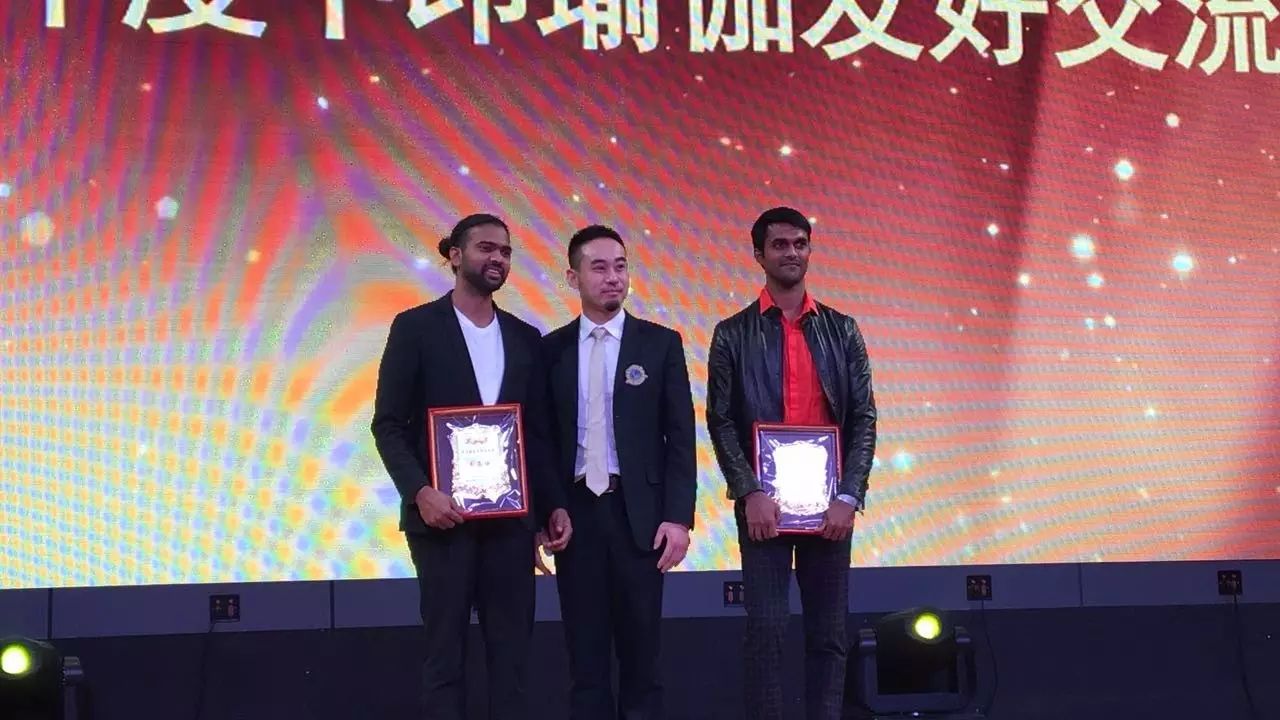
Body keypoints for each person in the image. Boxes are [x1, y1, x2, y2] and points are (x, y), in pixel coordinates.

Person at [370, 213, 572, 720]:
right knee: (445, 659)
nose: (497, 258)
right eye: (486, 248)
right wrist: (420, 492)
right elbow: (388, 424)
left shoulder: (525, 337)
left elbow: (537, 433)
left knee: (512, 662)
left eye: (505, 251)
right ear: (455, 256)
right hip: (442, 521)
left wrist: (552, 506)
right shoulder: (415, 328)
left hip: (511, 525)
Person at [705, 207, 877, 720]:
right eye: (780, 244)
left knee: (829, 635)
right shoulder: (732, 333)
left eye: (800, 243)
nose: (792, 253)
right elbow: (720, 420)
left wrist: (849, 494)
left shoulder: (842, 330)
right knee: (766, 632)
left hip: (831, 508)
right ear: (759, 255)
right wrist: (749, 491)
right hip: (764, 506)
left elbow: (864, 418)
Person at [539, 224, 697, 720]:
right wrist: (545, 513)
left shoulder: (660, 344)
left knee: (642, 662)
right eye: (600, 267)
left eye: (621, 266)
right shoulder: (550, 350)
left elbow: (680, 437)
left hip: (641, 520)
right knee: (585, 664)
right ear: (573, 277)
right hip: (575, 519)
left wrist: (679, 518)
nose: (613, 277)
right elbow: (542, 440)